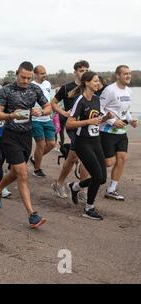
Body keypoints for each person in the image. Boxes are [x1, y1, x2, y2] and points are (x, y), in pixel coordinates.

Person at [0, 61, 51, 229]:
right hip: (10, 136)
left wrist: (41, 111)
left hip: (26, 136)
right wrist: (11, 115)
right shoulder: (6, 90)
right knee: (23, 175)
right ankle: (32, 215)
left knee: (16, 173)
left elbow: (48, 107)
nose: (25, 81)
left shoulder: (35, 89)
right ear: (17, 73)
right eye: (23, 77)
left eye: (29, 78)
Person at [66, 71, 113, 220]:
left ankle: (75, 187)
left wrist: (106, 118)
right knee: (97, 176)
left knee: (102, 178)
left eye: (98, 81)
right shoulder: (80, 100)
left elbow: (96, 119)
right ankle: (88, 209)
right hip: (83, 142)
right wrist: (88, 122)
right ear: (86, 83)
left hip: (95, 141)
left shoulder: (97, 99)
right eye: (95, 81)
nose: (98, 84)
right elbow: (69, 123)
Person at [51, 60, 90, 199]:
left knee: (74, 157)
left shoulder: (90, 86)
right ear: (75, 72)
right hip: (73, 127)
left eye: (86, 70)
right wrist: (63, 113)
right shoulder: (67, 88)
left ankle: (62, 184)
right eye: (81, 70)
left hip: (87, 126)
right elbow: (53, 103)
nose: (84, 72)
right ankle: (81, 190)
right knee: (84, 156)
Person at [99, 65, 138, 200]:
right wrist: (112, 121)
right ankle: (87, 163)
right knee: (109, 162)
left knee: (122, 158)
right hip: (107, 130)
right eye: (125, 74)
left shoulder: (129, 91)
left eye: (129, 74)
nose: (128, 76)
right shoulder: (110, 90)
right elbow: (100, 108)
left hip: (121, 131)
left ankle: (111, 189)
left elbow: (125, 110)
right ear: (118, 75)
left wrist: (131, 120)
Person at [30, 65, 56, 177]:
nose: (44, 75)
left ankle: (35, 158)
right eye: (41, 73)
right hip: (35, 119)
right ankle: (37, 169)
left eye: (45, 72)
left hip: (47, 118)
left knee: (51, 144)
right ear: (35, 74)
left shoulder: (48, 84)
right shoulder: (31, 85)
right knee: (40, 144)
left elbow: (49, 100)